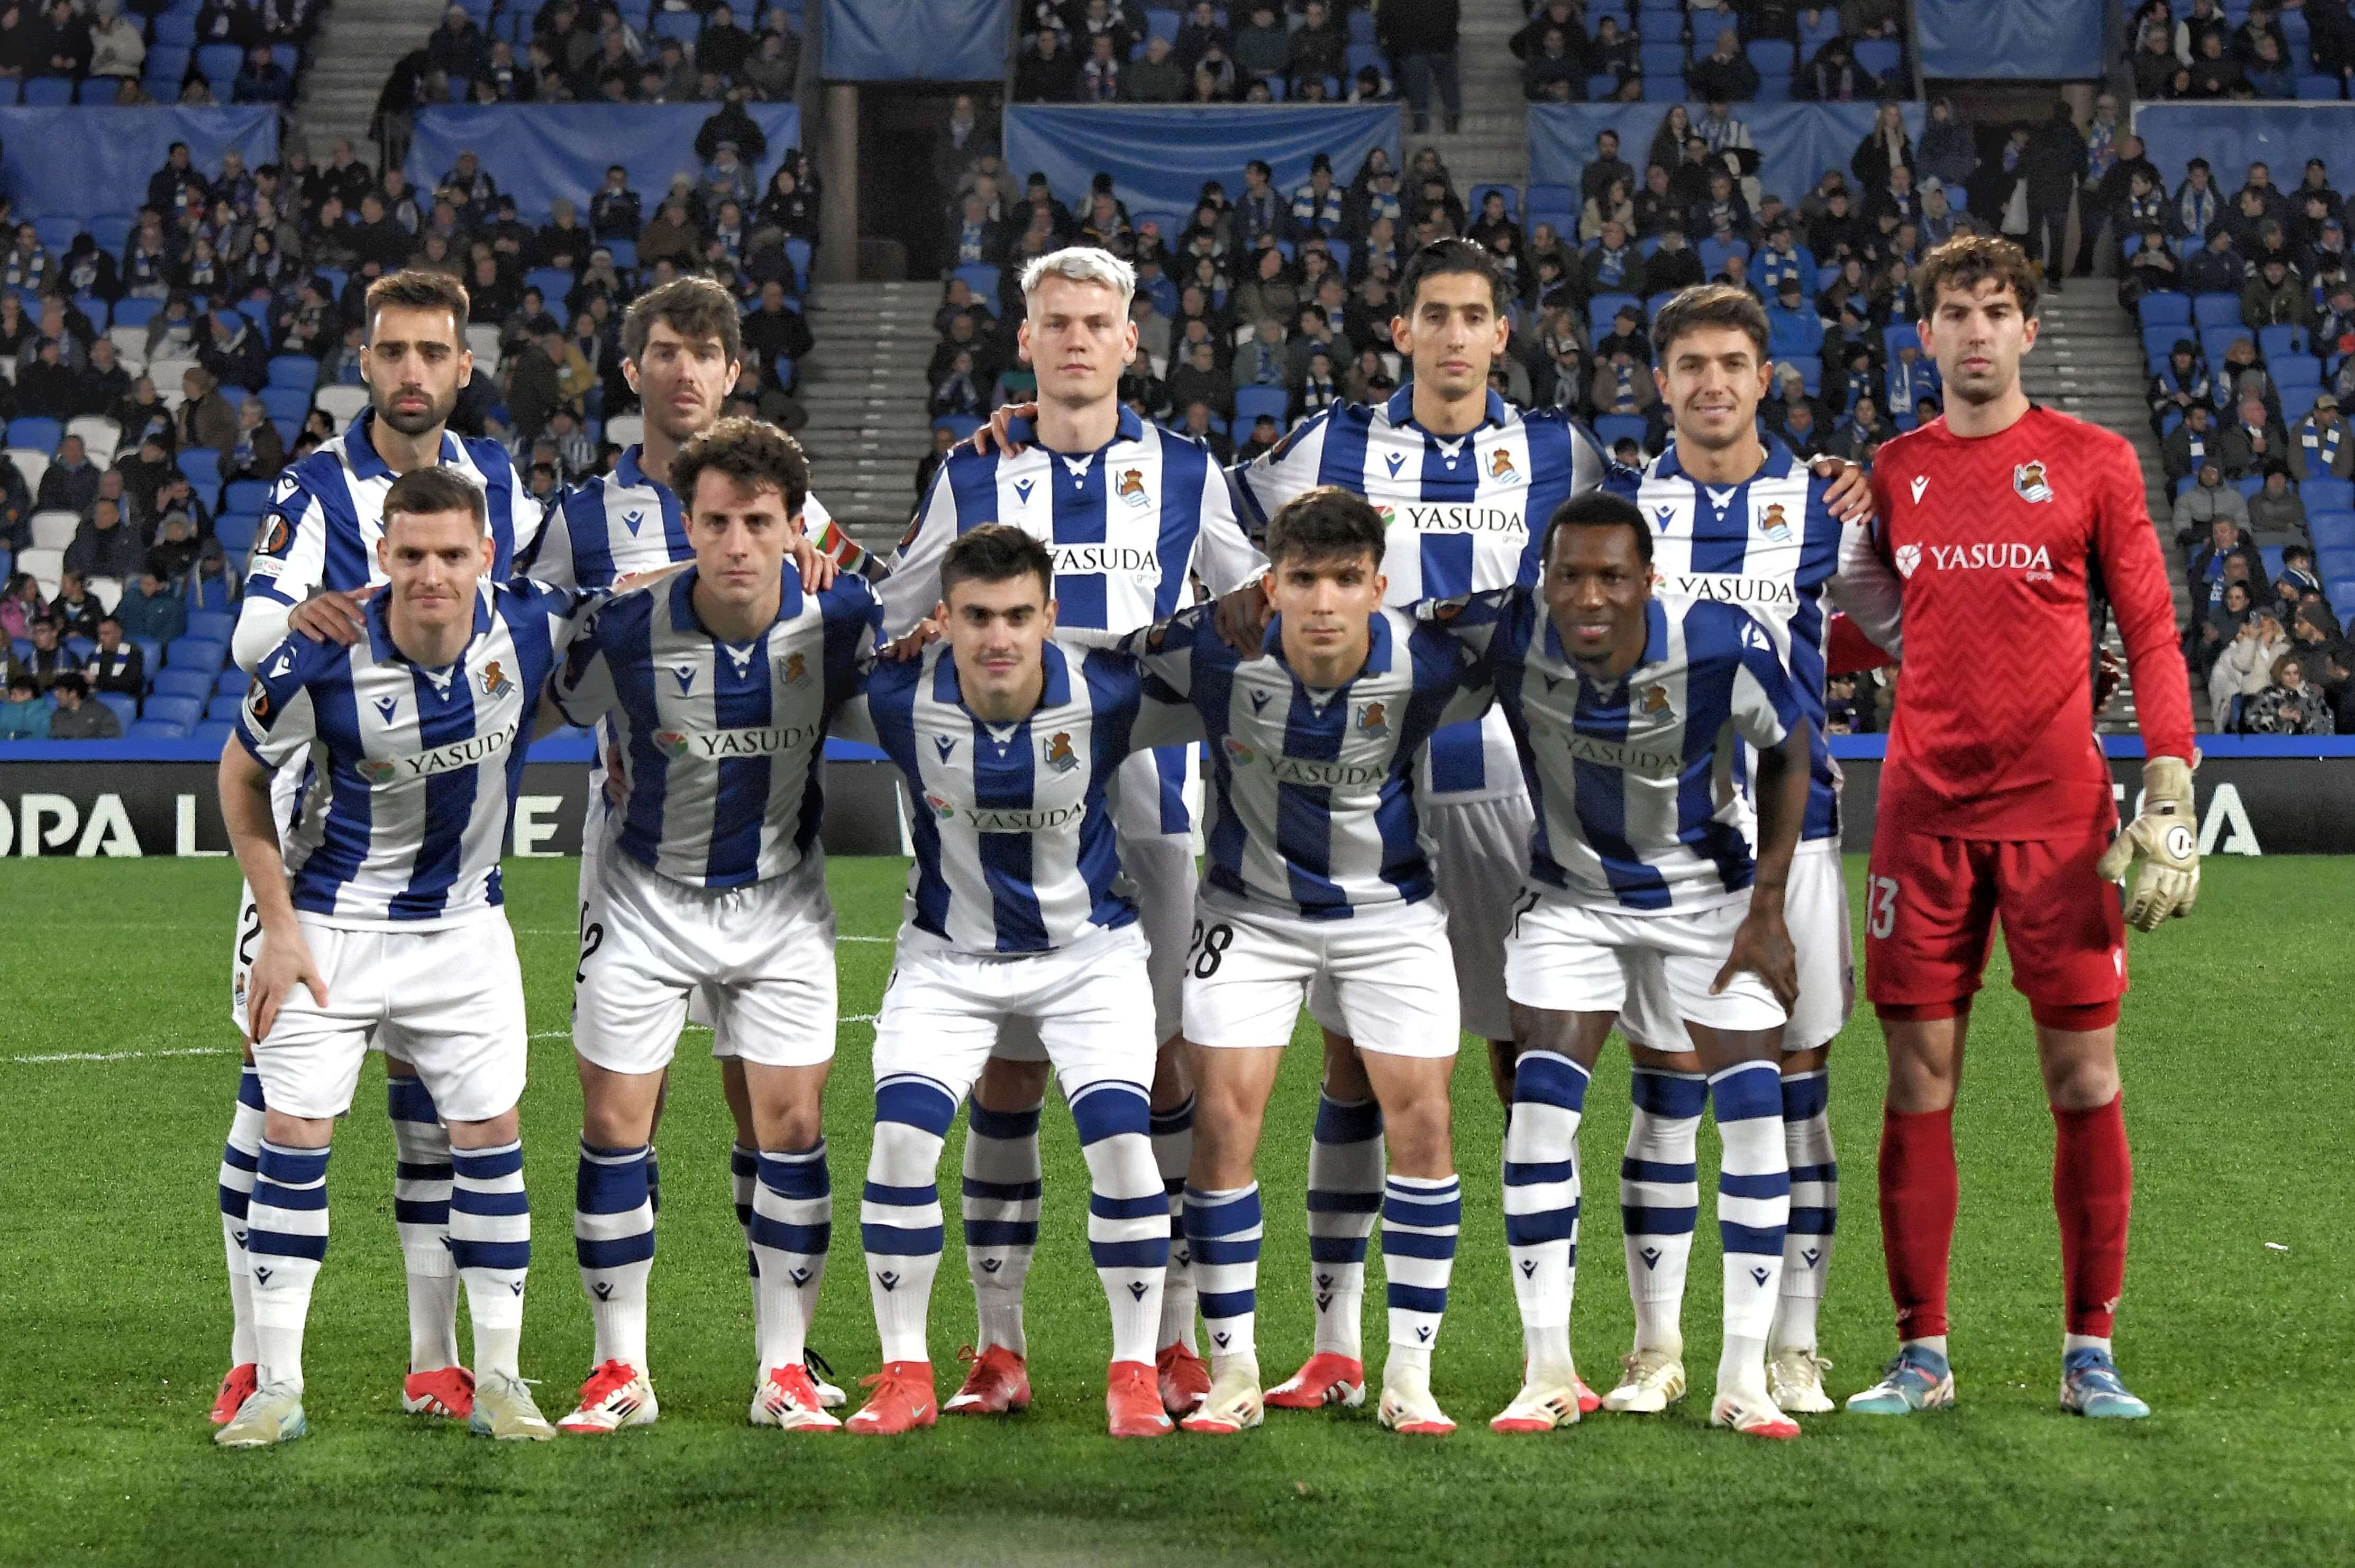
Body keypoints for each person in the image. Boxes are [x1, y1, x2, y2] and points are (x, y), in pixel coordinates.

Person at [839, 248, 1265, 1423]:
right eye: (1055, 324)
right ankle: (998, 1346)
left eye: (1098, 323)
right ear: (1022, 343)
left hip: (1155, 804)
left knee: (1163, 1075)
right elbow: (896, 613)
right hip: (996, 799)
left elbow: (1250, 612)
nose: (1077, 341)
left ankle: (1172, 1342)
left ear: (1132, 343)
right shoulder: (968, 477)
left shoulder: (1188, 470)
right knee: (1008, 1075)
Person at [1838, 234, 2198, 1421]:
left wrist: (2172, 779)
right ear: (1926, 335)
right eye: (1957, 312)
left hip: (2056, 815)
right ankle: (1920, 1355)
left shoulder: (2092, 462)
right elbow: (1857, 628)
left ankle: (2090, 1349)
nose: (1978, 331)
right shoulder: (1891, 475)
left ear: (2031, 331)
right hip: (1923, 812)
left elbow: (2148, 626)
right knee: (1917, 1075)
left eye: (1998, 310)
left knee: (2084, 1075)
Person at [207, 269, 544, 1434]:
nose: (411, 372)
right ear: (366, 362)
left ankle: (437, 1358)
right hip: (318, 826)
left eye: (432, 352)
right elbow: (261, 630)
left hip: (445, 854)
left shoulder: (494, 477)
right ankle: (256, 1360)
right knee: (276, 1112)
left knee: (433, 1119)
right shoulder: (314, 484)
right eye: (391, 350)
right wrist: (364, 606)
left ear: (462, 367)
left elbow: (537, 599)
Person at [1419, 489, 1813, 1438]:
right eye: (1568, 576)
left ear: (1648, 578)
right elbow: (1385, 642)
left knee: (1755, 1119)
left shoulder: (1719, 641)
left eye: (1609, 575)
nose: (1587, 596)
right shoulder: (1507, 630)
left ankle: (1742, 1375)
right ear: (1542, 580)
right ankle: (1546, 1368)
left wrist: (1766, 906)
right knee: (1537, 1119)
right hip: (1567, 901)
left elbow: (1791, 745)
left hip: (1706, 902)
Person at [1117, 487, 1491, 1438]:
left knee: (1425, 1120)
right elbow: (1086, 662)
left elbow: (1537, 636)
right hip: (1251, 913)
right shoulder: (1211, 652)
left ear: (1378, 585)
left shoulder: (1430, 658)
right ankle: (1235, 1368)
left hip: (1390, 913)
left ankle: (1409, 1370)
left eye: (1344, 581)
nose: (1323, 602)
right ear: (1269, 584)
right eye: (1302, 580)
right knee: (1222, 1123)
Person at [827, 524, 1194, 1441]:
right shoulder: (893, 696)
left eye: (1019, 616)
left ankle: (1134, 1370)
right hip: (948, 963)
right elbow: (780, 668)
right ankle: (913, 1368)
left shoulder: (1109, 692)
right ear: (942, 618)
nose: (999, 636)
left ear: (1051, 618)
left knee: (1120, 1141)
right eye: (978, 616)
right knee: (902, 1144)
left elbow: (1227, 679)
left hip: (1090, 958)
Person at [545, 418, 871, 1437]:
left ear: (791, 527)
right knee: (612, 1125)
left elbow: (937, 625)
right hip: (644, 896)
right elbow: (543, 702)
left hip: (778, 901)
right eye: (717, 521)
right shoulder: (621, 626)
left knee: (794, 1127)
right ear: (687, 523)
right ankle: (618, 1369)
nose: (736, 543)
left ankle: (782, 1365)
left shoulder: (840, 617)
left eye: (758, 522)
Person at [1583, 285, 1865, 1420]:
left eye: (1733, 363)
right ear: (1661, 382)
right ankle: (1656, 1349)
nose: (1711, 383)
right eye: (1689, 362)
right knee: (1667, 1086)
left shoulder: (1829, 507)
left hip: (1795, 837)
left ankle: (1796, 1345)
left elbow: (1897, 621)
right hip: (1660, 840)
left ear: (1764, 378)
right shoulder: (1617, 511)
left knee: (1797, 1083)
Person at [86, 616, 143, 709]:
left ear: (119, 633)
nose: (102, 638)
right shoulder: (94, 655)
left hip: (123, 703)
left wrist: (97, 681)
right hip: (97, 701)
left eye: (107, 634)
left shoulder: (133, 654)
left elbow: (129, 684)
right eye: (100, 634)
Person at [45, 671, 119, 738]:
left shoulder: (102, 713)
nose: (56, 695)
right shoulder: (57, 716)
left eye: (61, 692)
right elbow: (54, 743)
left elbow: (111, 740)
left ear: (73, 694)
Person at [0, 672, 48, 739]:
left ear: (28, 694)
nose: (12, 698)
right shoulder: (6, 712)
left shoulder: (45, 716)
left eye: (15, 694)